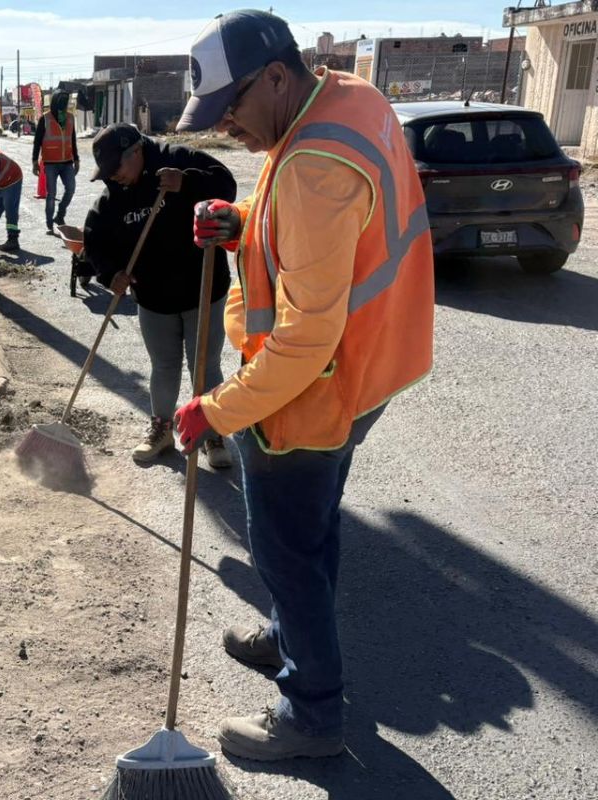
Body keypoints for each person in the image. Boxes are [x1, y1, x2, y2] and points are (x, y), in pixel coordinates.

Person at [173, 9, 434, 761]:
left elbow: (303, 340)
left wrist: (214, 411)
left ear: (278, 76)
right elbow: (322, 225)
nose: (227, 129)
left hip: (316, 383)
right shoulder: (346, 98)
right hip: (372, 364)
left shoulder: (315, 164)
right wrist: (244, 219)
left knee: (287, 547)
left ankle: (312, 712)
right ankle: (292, 629)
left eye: (232, 110)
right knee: (311, 528)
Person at [83, 123, 236, 468]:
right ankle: (163, 428)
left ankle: (211, 432)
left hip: (202, 289)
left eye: (116, 168)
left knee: (205, 366)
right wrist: (111, 274)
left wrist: (187, 182)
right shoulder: (113, 195)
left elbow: (226, 185)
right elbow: (95, 240)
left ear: (135, 152)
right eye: (107, 172)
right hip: (153, 297)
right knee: (164, 365)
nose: (113, 177)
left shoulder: (176, 159)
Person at [31, 90, 80, 235]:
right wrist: (34, 161)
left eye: (65, 104)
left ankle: (60, 215)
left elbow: (73, 140)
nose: (63, 107)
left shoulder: (70, 118)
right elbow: (37, 141)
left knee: (70, 189)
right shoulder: (45, 119)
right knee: (51, 194)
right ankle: (49, 223)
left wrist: (77, 159)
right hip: (50, 163)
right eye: (61, 103)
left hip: (67, 162)